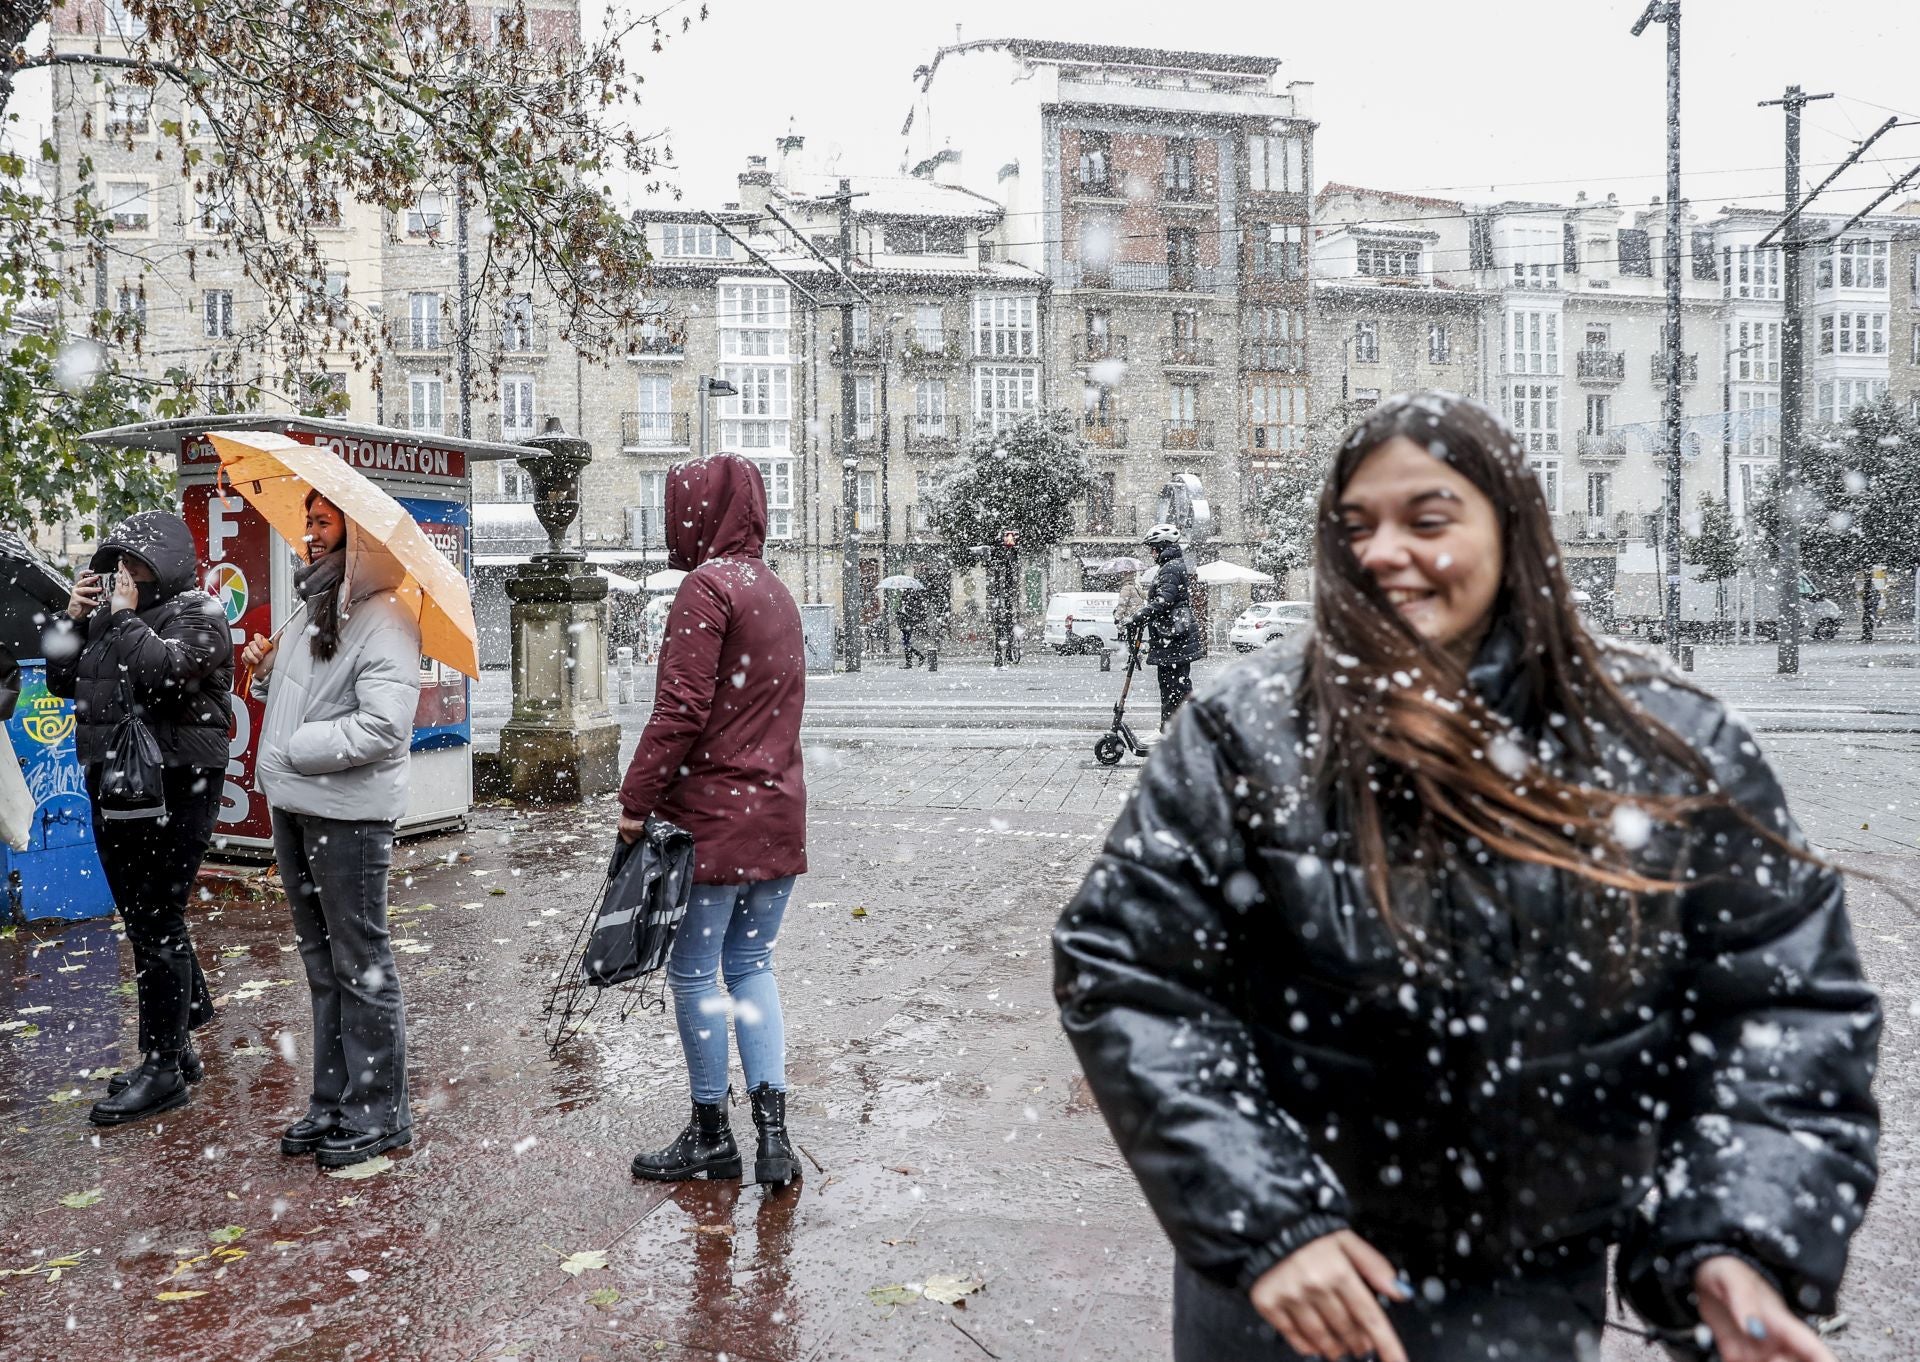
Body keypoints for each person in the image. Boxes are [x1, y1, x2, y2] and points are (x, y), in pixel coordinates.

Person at [1055, 392, 1879, 1362]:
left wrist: (1737, 1238)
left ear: (1512, 528)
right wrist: (1265, 1214)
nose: (1380, 552)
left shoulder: (1663, 741)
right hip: (1286, 1301)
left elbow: (1783, 1009)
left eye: (1428, 519)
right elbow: (1129, 974)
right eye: (1356, 526)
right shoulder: (1245, 731)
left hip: (1523, 1300)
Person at [619, 453, 808, 1188]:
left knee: (695, 973)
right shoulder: (776, 591)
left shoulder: (706, 588)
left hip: (714, 819)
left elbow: (681, 710)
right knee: (752, 966)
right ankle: (773, 1134)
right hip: (777, 813)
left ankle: (709, 1133)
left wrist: (636, 801)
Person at [242, 491, 422, 1169]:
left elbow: (382, 727)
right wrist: (265, 675)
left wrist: (294, 748)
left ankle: (380, 1113)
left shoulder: (387, 619)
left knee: (361, 964)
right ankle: (333, 1099)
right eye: (308, 523)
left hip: (349, 815)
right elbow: (297, 701)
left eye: (323, 523)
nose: (309, 535)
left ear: (359, 538)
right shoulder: (315, 607)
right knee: (322, 965)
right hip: (296, 805)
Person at [46, 511, 231, 1126]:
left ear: (168, 563)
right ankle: (175, 1042)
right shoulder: (105, 617)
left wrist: (121, 617)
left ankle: (163, 1068)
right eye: (116, 562)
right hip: (115, 784)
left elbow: (164, 675)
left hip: (178, 785)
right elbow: (58, 677)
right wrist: (73, 617)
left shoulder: (199, 614)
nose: (122, 573)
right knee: (141, 916)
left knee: (157, 916)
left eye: (135, 562)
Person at [1126, 523, 1203, 727]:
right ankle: (1171, 729)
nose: (1151, 551)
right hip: (1172, 637)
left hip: (1174, 638)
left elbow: (1164, 601)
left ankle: (1182, 731)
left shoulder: (1170, 568)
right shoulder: (1171, 566)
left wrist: (1138, 617)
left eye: (1153, 547)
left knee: (1175, 688)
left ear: (1162, 546)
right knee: (1174, 687)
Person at [898, 587, 931, 668]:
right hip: (905, 625)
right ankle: (916, 658)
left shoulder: (909, 601)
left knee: (906, 643)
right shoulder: (907, 600)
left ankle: (913, 660)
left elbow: (909, 614)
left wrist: (903, 614)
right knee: (906, 643)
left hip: (907, 625)